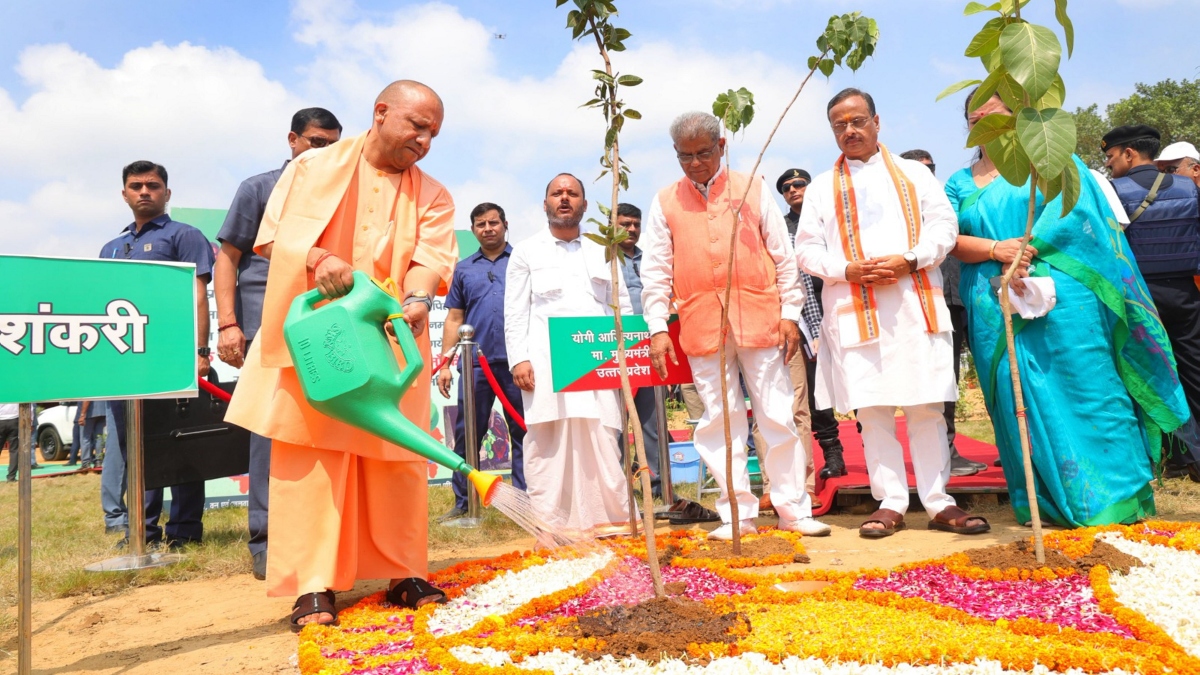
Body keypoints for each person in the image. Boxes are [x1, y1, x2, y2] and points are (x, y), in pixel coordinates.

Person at [224, 81, 458, 629]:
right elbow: (271, 238)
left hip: (392, 337)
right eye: (416, 127)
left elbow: (431, 258)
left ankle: (404, 571)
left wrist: (419, 297)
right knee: (314, 458)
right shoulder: (310, 168)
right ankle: (313, 585)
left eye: (433, 135)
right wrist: (320, 256)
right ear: (380, 113)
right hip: (319, 336)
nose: (424, 141)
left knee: (397, 456)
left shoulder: (437, 194)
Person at [943, 95, 1188, 527]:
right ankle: (1046, 502)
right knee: (1014, 401)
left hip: (1066, 301)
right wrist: (997, 249)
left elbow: (1083, 223)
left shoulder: (1053, 163)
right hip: (994, 303)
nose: (982, 118)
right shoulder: (959, 182)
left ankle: (1113, 500)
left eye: (993, 110)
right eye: (973, 115)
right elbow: (948, 240)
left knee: (1089, 390)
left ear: (1017, 115)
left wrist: (1031, 250)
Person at [796, 88, 989, 539]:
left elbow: (945, 227)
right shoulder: (823, 187)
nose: (850, 130)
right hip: (854, 305)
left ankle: (939, 501)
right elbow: (805, 250)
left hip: (912, 304)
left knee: (925, 405)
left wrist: (911, 258)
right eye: (840, 125)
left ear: (877, 122)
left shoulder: (914, 175)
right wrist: (848, 269)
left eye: (857, 120)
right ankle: (892, 501)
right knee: (873, 408)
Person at [644, 111, 830, 540]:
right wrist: (657, 327)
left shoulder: (753, 188)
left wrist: (789, 315)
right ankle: (736, 516)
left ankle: (793, 509)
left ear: (722, 147)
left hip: (761, 319)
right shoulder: (665, 200)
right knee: (717, 421)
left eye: (704, 154)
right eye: (685, 156)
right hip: (700, 325)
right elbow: (655, 270)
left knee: (778, 415)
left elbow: (784, 257)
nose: (695, 164)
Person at [214, 107, 342, 581]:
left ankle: (323, 538)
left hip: (324, 323)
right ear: (292, 140)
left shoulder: (342, 190)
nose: (324, 151)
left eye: (333, 143)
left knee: (326, 427)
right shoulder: (258, 188)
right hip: (267, 323)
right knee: (269, 432)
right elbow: (227, 257)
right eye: (315, 142)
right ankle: (267, 542)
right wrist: (229, 324)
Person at [504, 173, 633, 535]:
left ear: (585, 204)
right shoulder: (527, 251)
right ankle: (550, 524)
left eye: (572, 193)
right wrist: (519, 359)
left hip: (597, 361)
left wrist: (624, 360)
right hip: (545, 364)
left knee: (603, 433)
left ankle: (610, 519)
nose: (564, 198)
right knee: (547, 437)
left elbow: (620, 305)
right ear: (544, 203)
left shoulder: (603, 249)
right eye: (557, 193)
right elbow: (514, 311)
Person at [100, 161, 215, 548]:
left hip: (173, 357)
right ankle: (142, 530)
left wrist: (200, 351)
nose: (144, 191)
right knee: (137, 444)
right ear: (124, 194)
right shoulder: (111, 247)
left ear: (167, 193)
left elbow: (199, 295)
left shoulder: (185, 235)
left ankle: (184, 531)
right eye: (136, 186)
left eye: (153, 185)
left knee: (181, 442)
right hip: (126, 364)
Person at [1103, 124, 1200, 479]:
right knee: (1192, 369)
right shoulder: (1190, 186)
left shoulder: (1113, 191)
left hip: (1137, 298)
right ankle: (1197, 457)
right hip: (1184, 294)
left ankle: (1162, 459)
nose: (1110, 166)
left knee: (1142, 373)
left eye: (1111, 157)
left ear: (1130, 153)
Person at [898, 149, 987, 478]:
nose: (926, 175)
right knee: (921, 380)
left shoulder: (944, 206)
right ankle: (929, 454)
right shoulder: (896, 211)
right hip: (912, 307)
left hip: (955, 303)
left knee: (949, 377)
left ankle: (947, 450)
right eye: (918, 170)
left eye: (931, 168)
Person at [436, 202, 527, 520]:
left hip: (518, 363)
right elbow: (454, 318)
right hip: (475, 365)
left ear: (505, 224)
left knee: (524, 431)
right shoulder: (464, 269)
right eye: (480, 224)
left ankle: (525, 501)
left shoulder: (522, 261)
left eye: (493, 223)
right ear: (473, 229)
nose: (488, 229)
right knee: (468, 433)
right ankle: (463, 503)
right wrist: (445, 363)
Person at [776, 167, 846, 494]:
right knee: (817, 388)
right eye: (787, 187)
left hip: (845, 307)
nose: (793, 189)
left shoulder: (830, 217)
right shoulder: (782, 229)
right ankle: (832, 453)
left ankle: (875, 447)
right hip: (807, 318)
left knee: (857, 378)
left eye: (799, 183)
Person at [70, 401, 106, 469]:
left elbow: (87, 398)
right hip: (102, 412)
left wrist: (82, 414)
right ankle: (98, 462)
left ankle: (86, 463)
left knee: (85, 438)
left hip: (90, 412)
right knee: (99, 437)